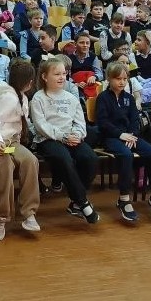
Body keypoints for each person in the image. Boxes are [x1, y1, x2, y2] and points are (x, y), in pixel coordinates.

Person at [0, 60, 41, 240]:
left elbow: (18, 125)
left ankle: (28, 213)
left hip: (10, 142)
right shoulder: (8, 97)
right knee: (5, 165)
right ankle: (0, 218)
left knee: (30, 160)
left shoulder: (23, 98)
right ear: (28, 82)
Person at [30, 57, 100, 224]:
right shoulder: (38, 98)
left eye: (64, 73)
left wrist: (77, 135)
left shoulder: (71, 98)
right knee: (64, 158)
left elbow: (79, 122)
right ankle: (83, 202)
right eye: (57, 74)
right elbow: (40, 125)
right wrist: (62, 136)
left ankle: (76, 202)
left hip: (72, 138)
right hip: (48, 139)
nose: (62, 77)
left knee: (90, 158)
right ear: (44, 77)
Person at [97, 61, 151, 221]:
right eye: (118, 79)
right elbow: (103, 122)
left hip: (130, 136)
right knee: (126, 155)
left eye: (125, 79)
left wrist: (132, 133)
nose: (122, 82)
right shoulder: (103, 98)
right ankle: (124, 199)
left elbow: (135, 120)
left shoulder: (129, 98)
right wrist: (121, 134)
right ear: (109, 79)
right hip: (111, 137)